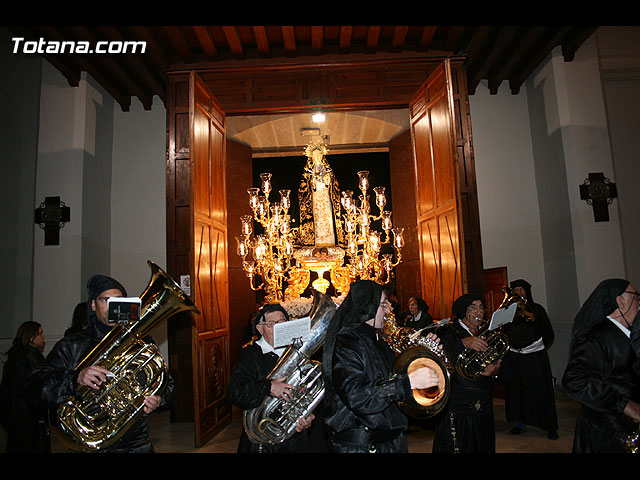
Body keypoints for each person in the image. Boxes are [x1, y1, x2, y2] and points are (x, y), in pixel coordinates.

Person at [28, 274, 174, 453]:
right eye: (105, 300)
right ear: (93, 305)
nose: (113, 307)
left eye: (119, 301)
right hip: (87, 448)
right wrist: (75, 378)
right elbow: (35, 386)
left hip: (136, 446)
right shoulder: (72, 345)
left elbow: (166, 385)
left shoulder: (143, 343)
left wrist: (159, 400)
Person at [321, 279, 441, 453]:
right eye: (383, 304)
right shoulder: (346, 343)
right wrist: (408, 383)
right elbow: (357, 396)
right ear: (367, 306)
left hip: (389, 441)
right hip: (362, 447)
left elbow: (395, 379)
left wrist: (426, 354)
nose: (389, 310)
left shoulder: (378, 339)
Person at [227, 302, 318, 453]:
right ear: (260, 329)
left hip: (294, 438)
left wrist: (307, 415)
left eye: (281, 323)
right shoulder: (251, 354)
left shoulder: (298, 352)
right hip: (262, 441)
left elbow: (309, 390)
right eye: (270, 324)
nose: (277, 328)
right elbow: (235, 391)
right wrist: (269, 387)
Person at [562, 278, 640, 453]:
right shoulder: (596, 337)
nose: (639, 302)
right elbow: (575, 380)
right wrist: (627, 406)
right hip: (605, 433)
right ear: (620, 301)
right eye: (636, 296)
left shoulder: (626, 333)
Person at [432, 294, 500, 453]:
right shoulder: (448, 331)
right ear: (463, 311)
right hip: (458, 404)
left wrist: (495, 371)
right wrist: (463, 343)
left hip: (483, 403)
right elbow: (440, 358)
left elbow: (502, 365)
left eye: (481, 308)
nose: (479, 312)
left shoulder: (488, 333)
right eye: (473, 308)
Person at [501, 278, 558, 439]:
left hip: (535, 357)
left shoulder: (537, 310)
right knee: (517, 392)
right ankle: (520, 424)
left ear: (527, 292)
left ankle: (550, 427)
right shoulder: (509, 311)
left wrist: (535, 348)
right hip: (516, 357)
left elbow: (548, 333)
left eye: (522, 290)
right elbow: (506, 331)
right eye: (516, 290)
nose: (519, 293)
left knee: (541, 392)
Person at [0, 321, 50, 453]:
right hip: (23, 418)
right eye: (40, 333)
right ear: (31, 337)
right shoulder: (21, 359)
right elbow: (17, 391)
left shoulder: (31, 356)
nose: (43, 336)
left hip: (28, 416)